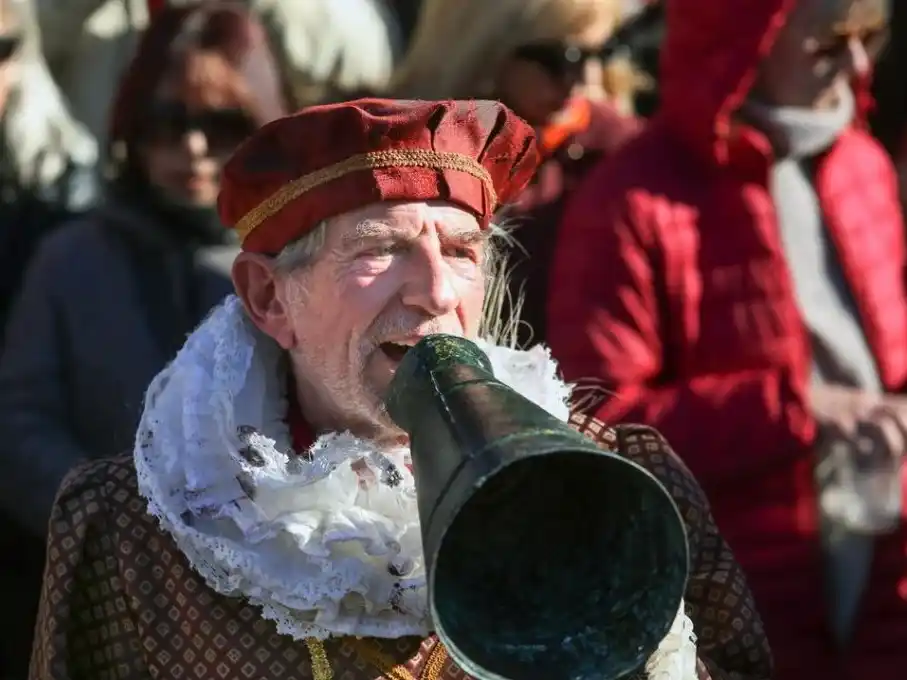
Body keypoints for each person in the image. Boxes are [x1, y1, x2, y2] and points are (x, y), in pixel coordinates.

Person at [29, 98, 772, 680]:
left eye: (460, 249)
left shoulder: (622, 482)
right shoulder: (136, 530)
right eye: (380, 249)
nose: (437, 290)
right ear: (269, 299)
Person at [547, 0, 906, 678]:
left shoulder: (862, 164)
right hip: (736, 612)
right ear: (741, 38)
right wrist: (797, 411)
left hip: (878, 583)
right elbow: (592, 431)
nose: (857, 66)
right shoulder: (631, 201)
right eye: (830, 42)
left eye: (872, 39)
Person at [387, 0, 640, 348]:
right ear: (484, 49)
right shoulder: (390, 146)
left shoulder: (624, 154)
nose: (583, 80)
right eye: (561, 60)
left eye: (601, 54)